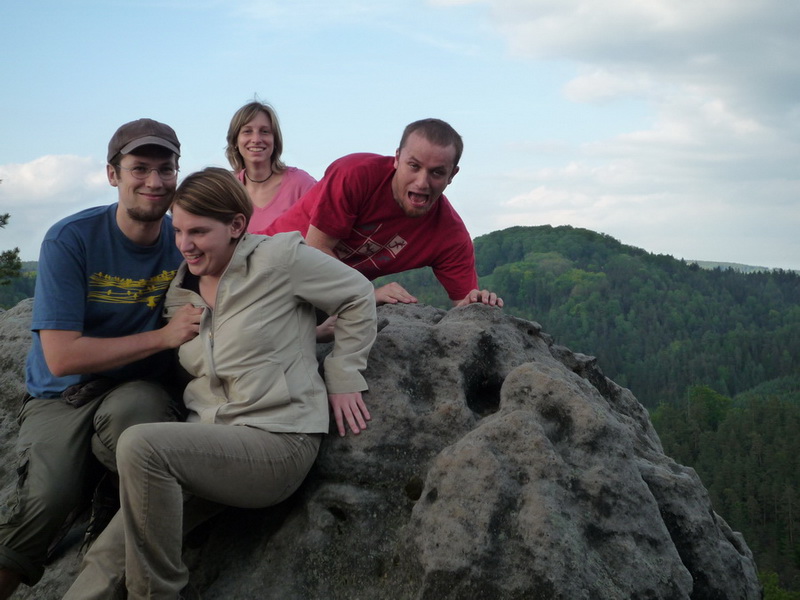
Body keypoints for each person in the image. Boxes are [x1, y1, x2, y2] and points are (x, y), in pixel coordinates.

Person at [63, 167, 377, 599]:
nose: (184, 244)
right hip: (208, 445)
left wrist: (343, 374)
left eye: (198, 232)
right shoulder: (181, 293)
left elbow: (358, 294)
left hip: (278, 442)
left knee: (141, 445)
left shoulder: (279, 259)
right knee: (109, 554)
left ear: (235, 225)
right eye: (178, 231)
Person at [0, 119, 203, 599]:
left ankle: (109, 502)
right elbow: (62, 356)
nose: (154, 181)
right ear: (113, 174)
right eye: (139, 168)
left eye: (166, 169)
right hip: (62, 394)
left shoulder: (183, 240)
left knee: (140, 423)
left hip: (136, 389)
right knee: (45, 503)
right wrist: (163, 337)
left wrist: (325, 316)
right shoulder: (71, 239)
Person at [263, 118, 503, 309]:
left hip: (318, 299)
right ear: (397, 158)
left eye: (437, 172)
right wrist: (367, 293)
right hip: (264, 268)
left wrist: (478, 303)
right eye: (414, 166)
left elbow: (464, 304)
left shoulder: (450, 235)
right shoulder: (356, 174)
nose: (422, 182)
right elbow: (314, 250)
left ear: (452, 175)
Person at [225, 101, 316, 233]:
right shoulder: (227, 190)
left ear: (275, 140)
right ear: (235, 141)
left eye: (265, 131)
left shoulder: (301, 184)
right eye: (247, 131)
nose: (256, 139)